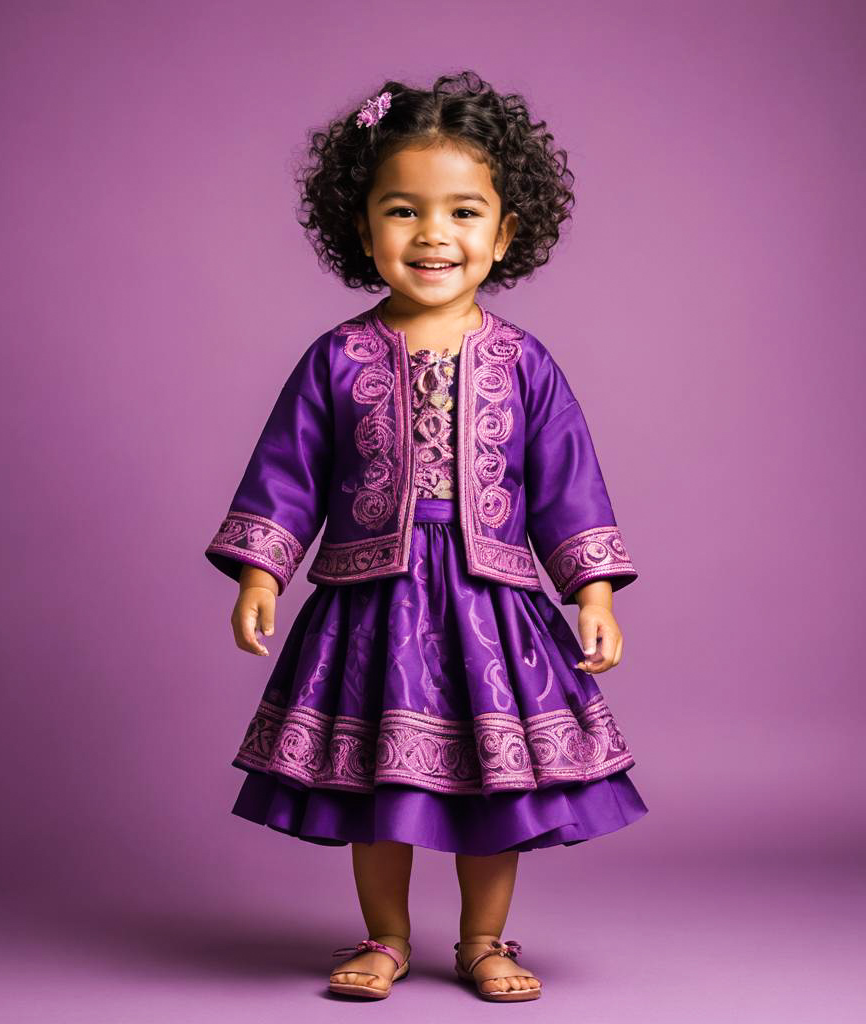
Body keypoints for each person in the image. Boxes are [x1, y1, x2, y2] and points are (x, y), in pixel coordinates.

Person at [204, 70, 648, 1003]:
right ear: (362, 229)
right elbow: (287, 472)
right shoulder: (337, 357)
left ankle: (485, 941)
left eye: (463, 212)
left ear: (506, 231)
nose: (433, 235)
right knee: (379, 780)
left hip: (494, 606)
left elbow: (569, 485)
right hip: (373, 600)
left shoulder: (527, 363)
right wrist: (261, 577)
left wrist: (593, 593)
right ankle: (387, 938)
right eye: (402, 211)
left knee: (494, 788)